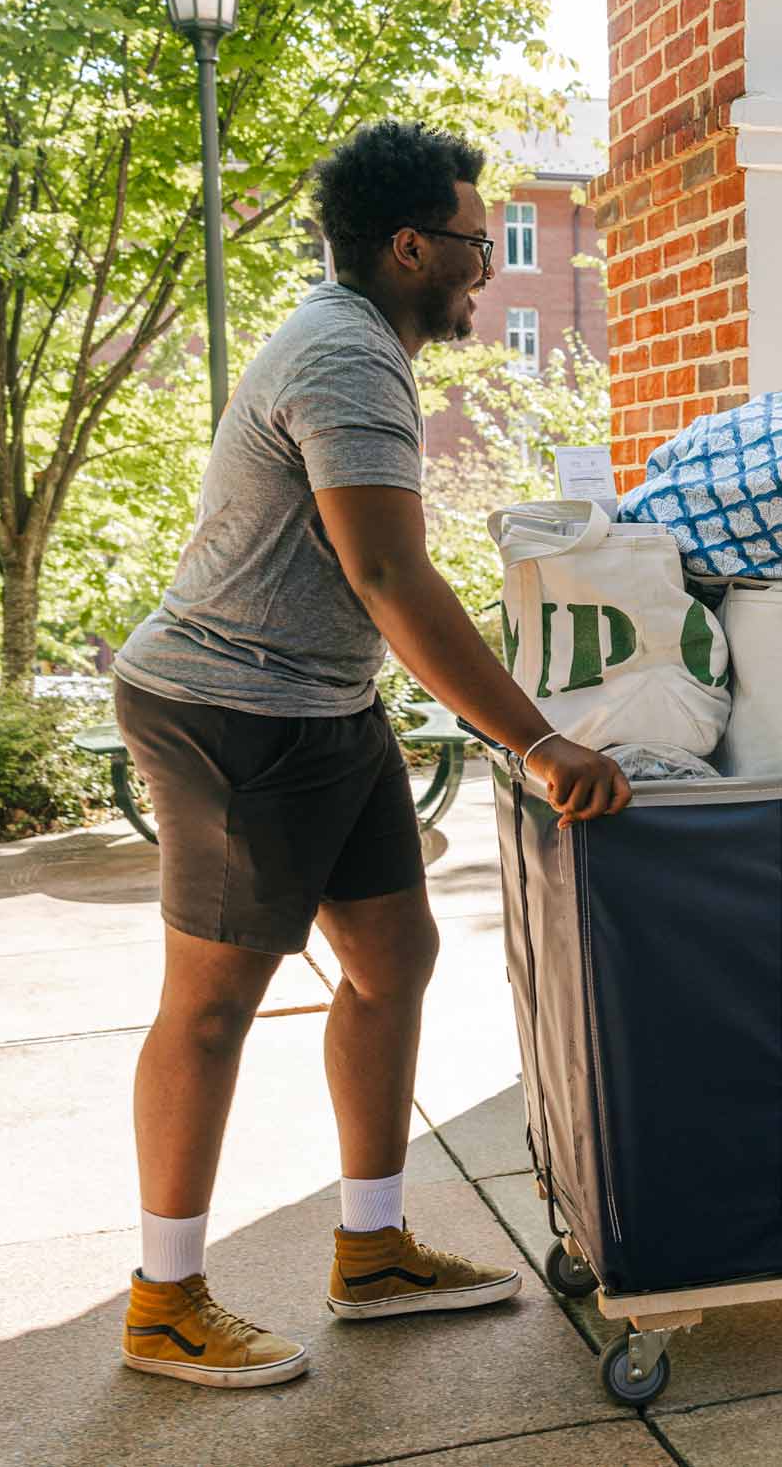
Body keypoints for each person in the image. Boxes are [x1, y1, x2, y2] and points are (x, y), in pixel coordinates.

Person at [107, 120, 633, 1388]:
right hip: (231, 709)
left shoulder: (359, 344)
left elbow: (392, 577)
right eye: (469, 241)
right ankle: (164, 1297)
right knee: (215, 1003)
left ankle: (374, 1246)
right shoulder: (345, 355)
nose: (485, 269)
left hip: (323, 706)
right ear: (408, 245)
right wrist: (536, 737)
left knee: (395, 959)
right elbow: (388, 572)